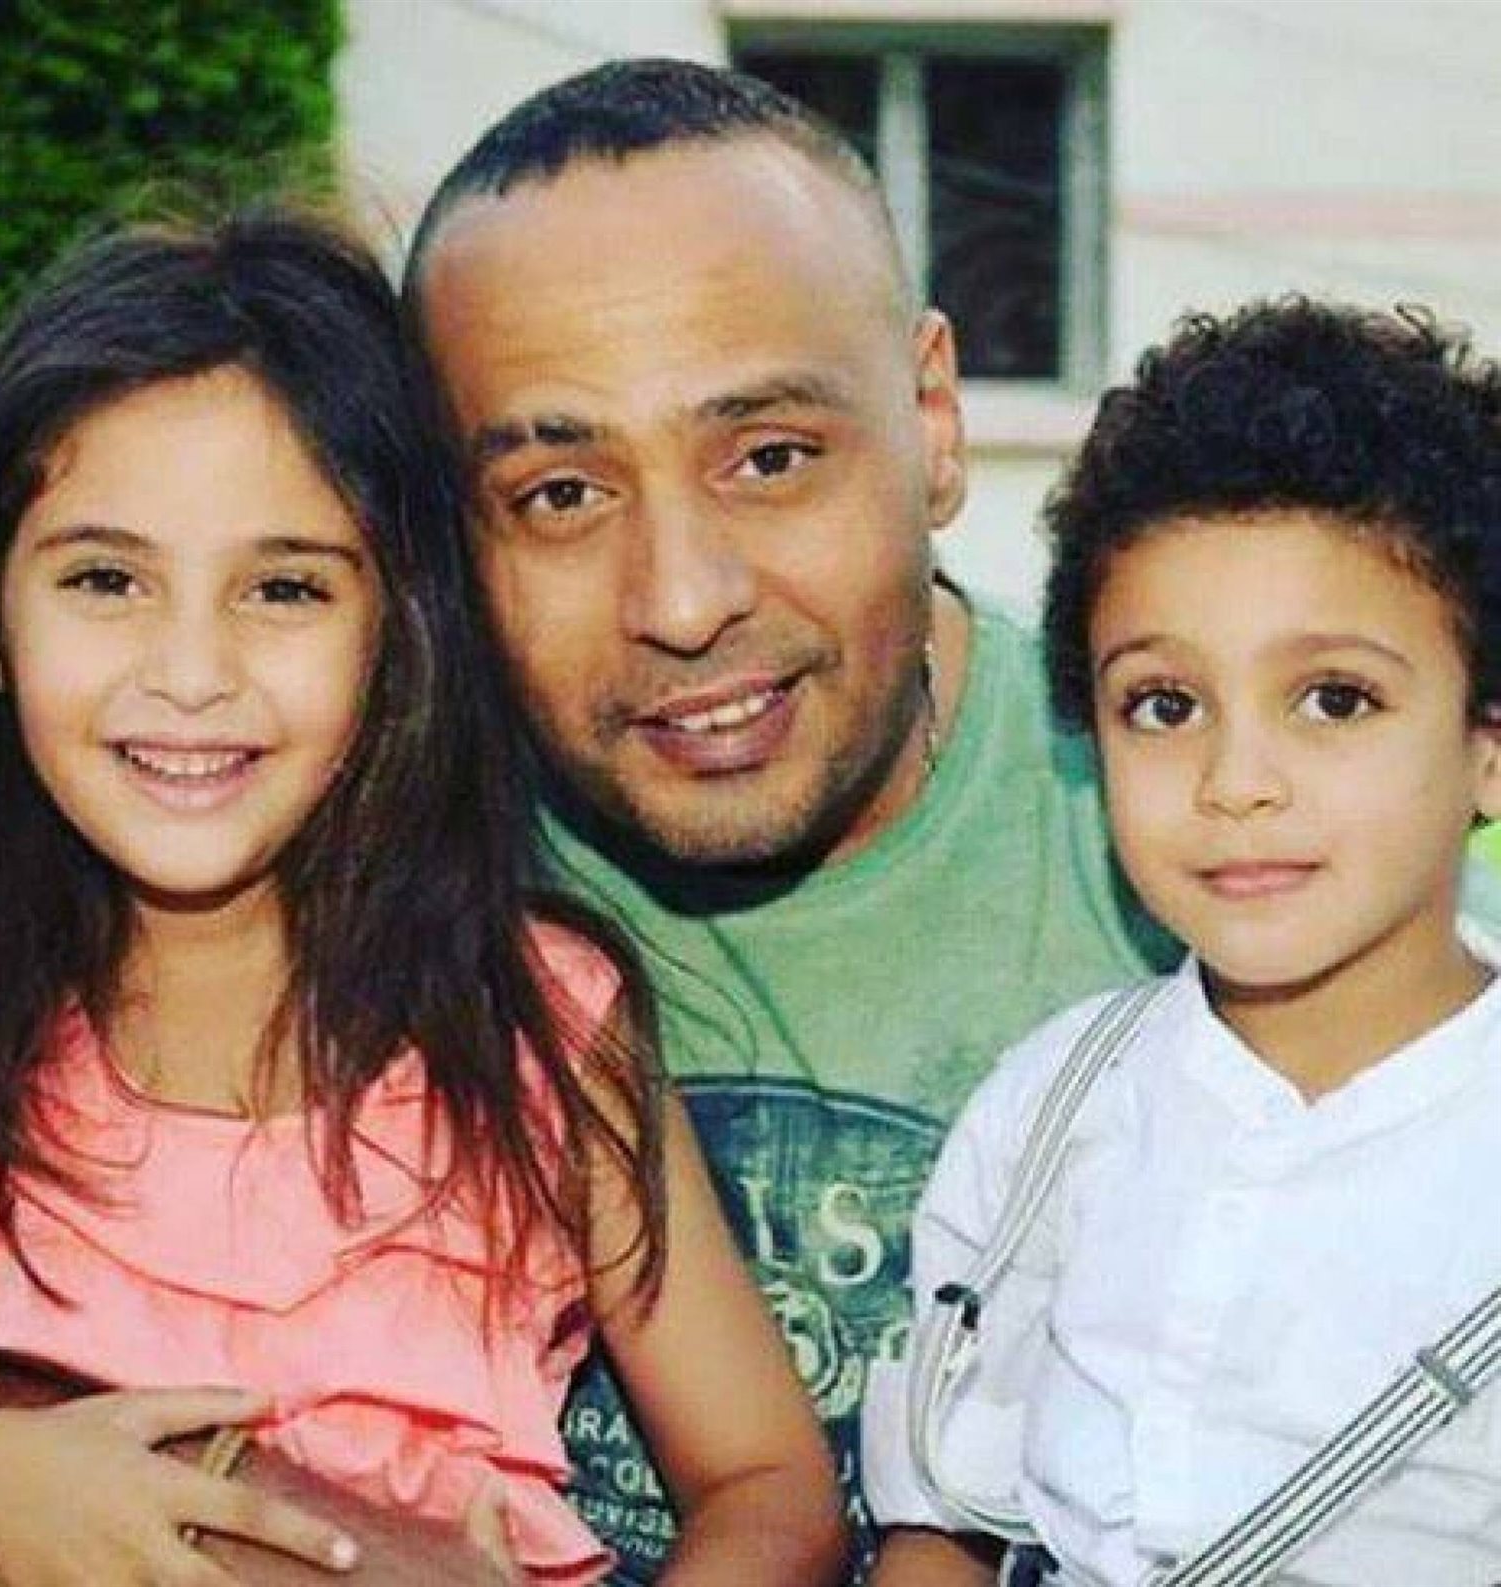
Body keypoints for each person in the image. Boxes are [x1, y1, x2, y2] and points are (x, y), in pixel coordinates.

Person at [0, 201, 846, 1586]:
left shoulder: (536, 1028)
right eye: (106, 579)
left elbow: (769, 1486)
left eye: (283, 590)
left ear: (397, 635)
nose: (191, 673)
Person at [400, 58, 1177, 1582]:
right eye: (561, 495)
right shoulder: (357, 871)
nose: (683, 601)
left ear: (932, 421)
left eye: (768, 459)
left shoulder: (1212, 851)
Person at [863, 297, 1501, 1586]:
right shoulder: (1053, 1110)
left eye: (1334, 700)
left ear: (1486, 752)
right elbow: (944, 1526)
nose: (1235, 781)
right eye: (1164, 706)